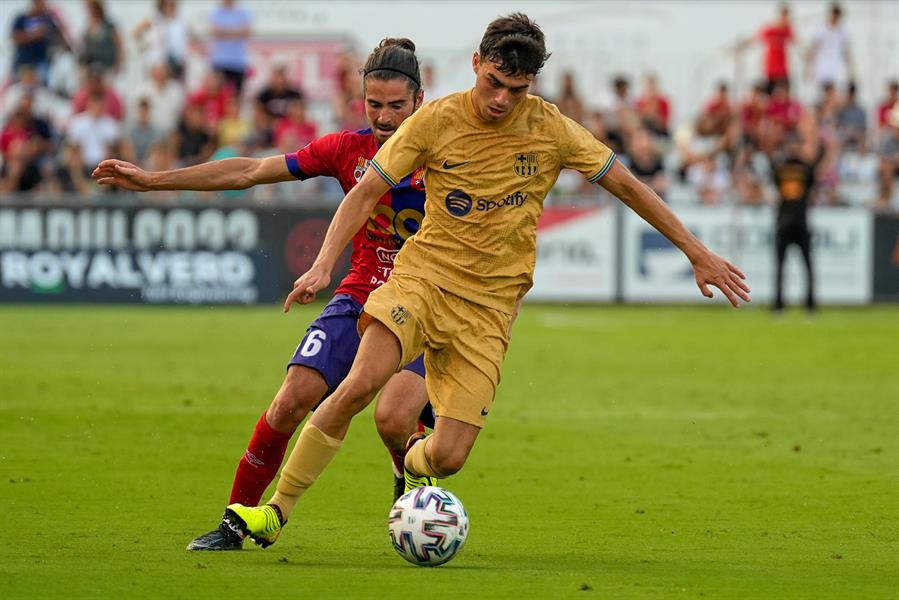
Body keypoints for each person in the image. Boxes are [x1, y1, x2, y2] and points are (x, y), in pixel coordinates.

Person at [223, 13, 751, 549]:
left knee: (447, 455)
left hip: (489, 308)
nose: (500, 99)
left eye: (516, 89)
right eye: (493, 82)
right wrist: (321, 263)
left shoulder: (552, 129)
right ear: (476, 64)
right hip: (422, 278)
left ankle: (413, 469)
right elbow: (362, 192)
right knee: (358, 385)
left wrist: (696, 251)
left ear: (532, 84)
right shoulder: (435, 122)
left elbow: (626, 184)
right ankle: (276, 511)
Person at [93, 38, 437, 550]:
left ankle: (409, 479)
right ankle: (236, 522)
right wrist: (154, 180)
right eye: (374, 105)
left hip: (429, 303)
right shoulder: (348, 149)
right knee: (290, 400)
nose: (384, 118)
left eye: (395, 106)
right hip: (363, 294)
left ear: (420, 101)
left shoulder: (449, 155)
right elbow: (249, 170)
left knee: (394, 418)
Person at [769, 123, 823, 313]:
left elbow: (811, 189)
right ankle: (778, 304)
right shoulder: (779, 166)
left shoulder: (806, 167)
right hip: (783, 222)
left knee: (807, 265)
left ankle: (810, 304)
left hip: (801, 222)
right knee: (780, 266)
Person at [207, 0, 252, 94]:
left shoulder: (243, 12)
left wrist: (224, 31)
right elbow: (214, 32)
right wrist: (237, 31)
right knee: (217, 96)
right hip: (219, 61)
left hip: (238, 62)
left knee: (236, 96)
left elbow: (247, 32)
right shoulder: (216, 12)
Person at [806, 3, 852, 89]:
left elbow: (846, 52)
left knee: (838, 90)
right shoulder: (821, 28)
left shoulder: (843, 30)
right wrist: (808, 67)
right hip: (822, 66)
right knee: (822, 91)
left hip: (837, 66)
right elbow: (813, 48)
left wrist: (850, 70)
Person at [78, 0, 122, 75]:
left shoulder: (109, 25)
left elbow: (119, 45)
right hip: (91, 66)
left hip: (107, 65)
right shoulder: (88, 25)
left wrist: (118, 64)